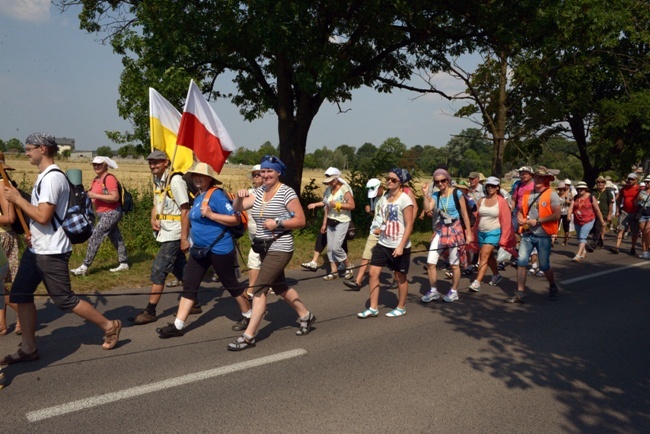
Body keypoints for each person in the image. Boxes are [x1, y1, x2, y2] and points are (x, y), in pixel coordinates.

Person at [1, 133, 122, 366]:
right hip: (38, 247)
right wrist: (32, 232)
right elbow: (41, 218)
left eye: (29, 148)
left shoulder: (52, 179)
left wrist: (17, 198)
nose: (26, 152)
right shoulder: (44, 176)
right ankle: (28, 348)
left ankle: (110, 325)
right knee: (20, 295)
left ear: (43, 149)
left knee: (64, 299)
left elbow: (44, 216)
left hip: (52, 251)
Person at [229, 155, 315, 351]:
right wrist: (239, 198)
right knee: (280, 287)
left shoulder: (287, 193)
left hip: (280, 246)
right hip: (263, 247)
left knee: (259, 289)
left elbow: (300, 220)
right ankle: (306, 315)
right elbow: (238, 208)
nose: (265, 174)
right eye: (263, 171)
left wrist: (278, 223)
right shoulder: (259, 192)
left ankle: (248, 336)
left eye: (270, 171)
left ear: (278, 172)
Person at [155, 163, 251, 338]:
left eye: (201, 176)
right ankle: (178, 326)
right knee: (189, 285)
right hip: (199, 250)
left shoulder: (216, 196)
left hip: (219, 249)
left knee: (231, 284)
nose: (197, 178)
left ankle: (248, 315)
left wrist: (212, 214)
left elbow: (235, 219)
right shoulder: (198, 196)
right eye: (194, 176)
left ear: (209, 179)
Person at [130, 150, 192, 325]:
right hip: (164, 231)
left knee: (159, 269)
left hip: (174, 232)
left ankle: (150, 311)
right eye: (150, 162)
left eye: (157, 162)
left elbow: (185, 209)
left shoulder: (175, 180)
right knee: (180, 269)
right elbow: (156, 204)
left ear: (166, 162)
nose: (152, 165)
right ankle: (193, 301)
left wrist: (184, 237)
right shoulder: (158, 180)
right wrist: (153, 218)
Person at [357, 168, 414, 318]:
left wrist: (401, 245)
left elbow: (409, 224)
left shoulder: (405, 199)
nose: (389, 181)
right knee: (373, 273)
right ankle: (373, 307)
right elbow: (385, 218)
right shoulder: (385, 198)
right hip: (383, 242)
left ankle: (401, 307)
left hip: (399, 244)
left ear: (400, 182)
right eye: (388, 179)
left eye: (393, 180)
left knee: (400, 276)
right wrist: (380, 229)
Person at [505, 166, 561, 303]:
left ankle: (552, 285)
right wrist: (519, 217)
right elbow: (520, 211)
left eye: (541, 177)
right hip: (527, 234)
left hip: (543, 235)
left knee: (544, 266)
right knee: (522, 262)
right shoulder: (527, 194)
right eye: (536, 177)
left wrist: (539, 220)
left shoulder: (551, 194)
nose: (538, 179)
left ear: (547, 179)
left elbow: (557, 215)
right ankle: (520, 292)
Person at [421, 168, 473, 304]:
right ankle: (433, 291)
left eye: (443, 180)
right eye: (437, 181)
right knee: (430, 262)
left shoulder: (457, 193)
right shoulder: (436, 196)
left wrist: (469, 233)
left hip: (455, 229)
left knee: (454, 264)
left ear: (448, 180)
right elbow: (427, 209)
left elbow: (465, 214)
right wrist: (425, 195)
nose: (440, 183)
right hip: (441, 229)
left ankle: (454, 291)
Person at [70, 156, 128, 276]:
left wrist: (94, 195)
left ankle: (85, 266)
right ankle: (124, 263)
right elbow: (93, 197)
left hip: (111, 212)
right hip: (102, 213)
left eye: (99, 164)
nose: (96, 166)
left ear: (106, 165)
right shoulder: (96, 179)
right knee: (116, 237)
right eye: (94, 164)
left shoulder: (109, 178)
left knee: (95, 236)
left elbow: (114, 197)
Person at [468, 177, 516, 292]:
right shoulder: (481, 200)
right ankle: (496, 274)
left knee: (483, 255)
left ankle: (477, 282)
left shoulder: (501, 201)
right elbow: (475, 215)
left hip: (494, 232)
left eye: (493, 186)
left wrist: (506, 235)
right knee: (489, 257)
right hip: (481, 232)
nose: (490, 188)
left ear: (498, 187)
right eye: (488, 185)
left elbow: (506, 219)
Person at [307, 167, 355, 281]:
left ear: (337, 179)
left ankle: (348, 266)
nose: (330, 182)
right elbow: (326, 205)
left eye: (332, 180)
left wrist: (338, 205)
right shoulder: (329, 190)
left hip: (342, 220)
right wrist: (324, 222)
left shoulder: (344, 189)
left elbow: (352, 205)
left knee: (336, 248)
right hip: (330, 220)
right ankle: (334, 272)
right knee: (330, 249)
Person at [344, 178, 383, 290]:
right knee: (366, 256)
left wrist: (382, 228)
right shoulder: (373, 198)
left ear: (381, 187)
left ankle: (397, 278)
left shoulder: (388, 198)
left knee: (392, 258)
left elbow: (390, 218)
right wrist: (370, 212)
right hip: (373, 231)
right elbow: (377, 215)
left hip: (386, 233)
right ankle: (358, 282)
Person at [0, 153, 20, 335]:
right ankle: (2, 324)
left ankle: (23, 311)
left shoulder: (1, 185)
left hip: (3, 237)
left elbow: (10, 217)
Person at [568, 181, 604, 262]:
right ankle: (583, 251)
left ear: (585, 189)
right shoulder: (575, 197)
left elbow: (597, 210)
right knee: (579, 237)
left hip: (589, 220)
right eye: (578, 189)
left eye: (582, 189)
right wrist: (568, 215)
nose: (580, 190)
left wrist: (602, 221)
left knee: (583, 236)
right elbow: (570, 208)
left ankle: (578, 255)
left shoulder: (591, 197)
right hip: (577, 220)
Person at [610, 173, 641, 255]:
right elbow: (619, 199)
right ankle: (617, 247)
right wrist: (618, 210)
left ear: (636, 180)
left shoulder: (639, 189)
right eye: (629, 179)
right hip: (625, 212)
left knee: (635, 231)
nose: (630, 181)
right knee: (621, 229)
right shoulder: (624, 189)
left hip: (635, 212)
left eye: (632, 179)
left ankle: (633, 247)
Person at [590, 176, 614, 249]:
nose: (600, 184)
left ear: (604, 183)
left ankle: (593, 244)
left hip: (603, 213)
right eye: (598, 182)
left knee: (598, 227)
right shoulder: (594, 192)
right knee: (595, 228)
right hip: (593, 213)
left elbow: (610, 204)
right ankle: (600, 243)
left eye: (602, 182)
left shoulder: (608, 192)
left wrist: (609, 214)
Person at [553, 181, 572, 246]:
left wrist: (568, 201)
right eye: (560, 189)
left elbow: (572, 203)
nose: (561, 191)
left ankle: (565, 240)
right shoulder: (556, 195)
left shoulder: (568, 195)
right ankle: (552, 239)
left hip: (566, 213)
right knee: (555, 226)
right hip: (558, 213)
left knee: (565, 227)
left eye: (563, 189)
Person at [637, 177, 650, 259]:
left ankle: (647, 250)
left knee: (647, 231)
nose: (647, 183)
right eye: (646, 182)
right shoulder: (641, 192)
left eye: (648, 182)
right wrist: (638, 200)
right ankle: (645, 252)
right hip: (643, 214)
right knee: (644, 234)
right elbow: (637, 203)